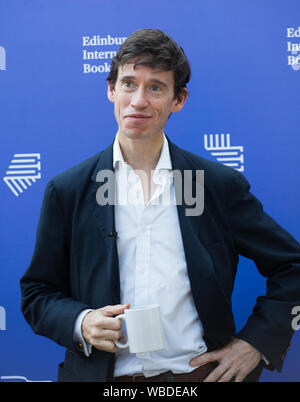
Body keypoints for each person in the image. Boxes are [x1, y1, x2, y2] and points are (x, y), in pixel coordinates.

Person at [20, 29, 300, 382]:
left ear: (178, 99)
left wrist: (257, 342)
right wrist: (81, 322)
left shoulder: (216, 186)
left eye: (155, 87)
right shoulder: (68, 190)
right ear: (110, 89)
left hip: (196, 378)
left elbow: (293, 267)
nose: (138, 100)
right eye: (128, 84)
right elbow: (37, 294)